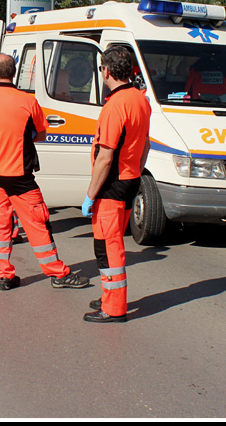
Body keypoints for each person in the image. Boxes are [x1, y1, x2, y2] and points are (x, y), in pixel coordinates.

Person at [0, 53, 90, 291]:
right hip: (19, 174)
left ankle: (4, 276)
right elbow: (41, 133)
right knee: (38, 224)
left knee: (1, 226)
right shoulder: (27, 101)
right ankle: (57, 273)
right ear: (14, 72)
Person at [81, 47, 151, 323]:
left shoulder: (114, 106)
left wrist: (90, 194)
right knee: (112, 242)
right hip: (130, 179)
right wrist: (136, 169)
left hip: (112, 185)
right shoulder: (140, 100)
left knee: (107, 247)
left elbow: (105, 157)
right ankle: (110, 298)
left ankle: (114, 307)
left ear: (106, 71)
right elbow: (145, 143)